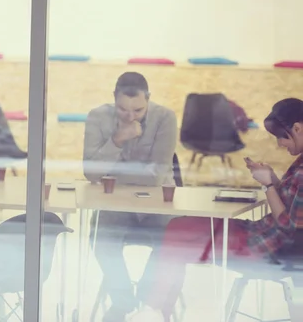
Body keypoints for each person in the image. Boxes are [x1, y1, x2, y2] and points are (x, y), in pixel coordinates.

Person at [129, 97, 303, 322]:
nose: (280, 144)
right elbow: (292, 207)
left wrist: (268, 185)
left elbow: (291, 228)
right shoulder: (300, 162)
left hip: (266, 247)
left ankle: (153, 311)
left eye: (282, 137)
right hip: (263, 235)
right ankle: (155, 311)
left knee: (177, 234)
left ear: (297, 128)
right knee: (177, 230)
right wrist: (273, 180)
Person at [82, 72, 178, 321]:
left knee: (172, 243)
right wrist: (117, 139)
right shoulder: (97, 117)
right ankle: (124, 301)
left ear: (148, 99)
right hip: (115, 205)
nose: (130, 116)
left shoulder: (165, 118)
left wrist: (112, 174)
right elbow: (90, 174)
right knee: (101, 240)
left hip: (157, 204)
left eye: (138, 110)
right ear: (114, 99)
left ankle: (147, 304)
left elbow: (157, 177)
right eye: (123, 109)